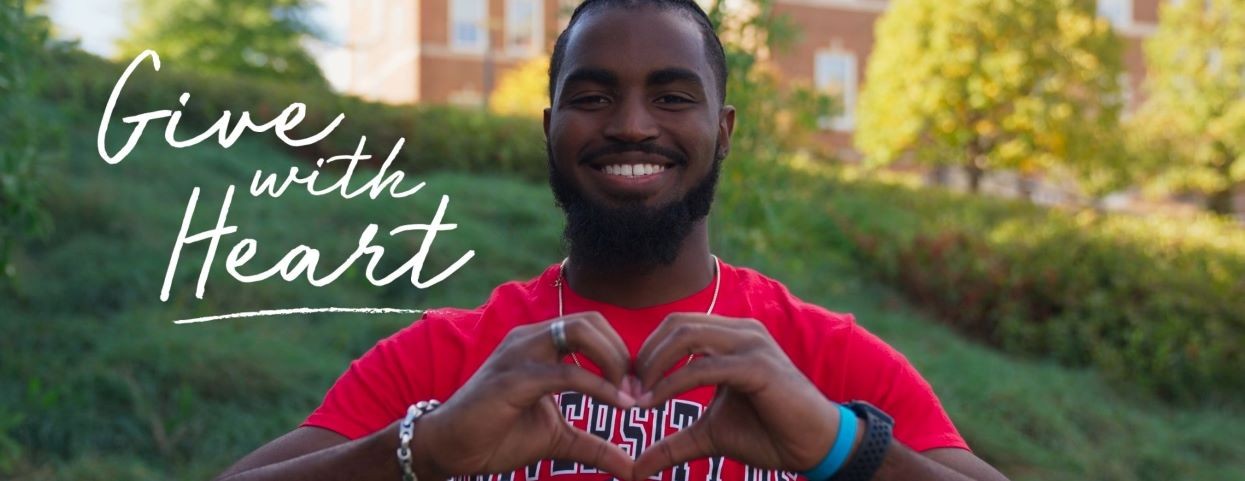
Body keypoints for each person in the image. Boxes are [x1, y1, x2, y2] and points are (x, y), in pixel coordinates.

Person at [213, 1, 1010, 481]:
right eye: (592, 97)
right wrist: (422, 451)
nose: (631, 124)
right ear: (549, 126)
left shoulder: (819, 357)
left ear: (723, 130)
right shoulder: (452, 357)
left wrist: (840, 447)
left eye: (672, 97)